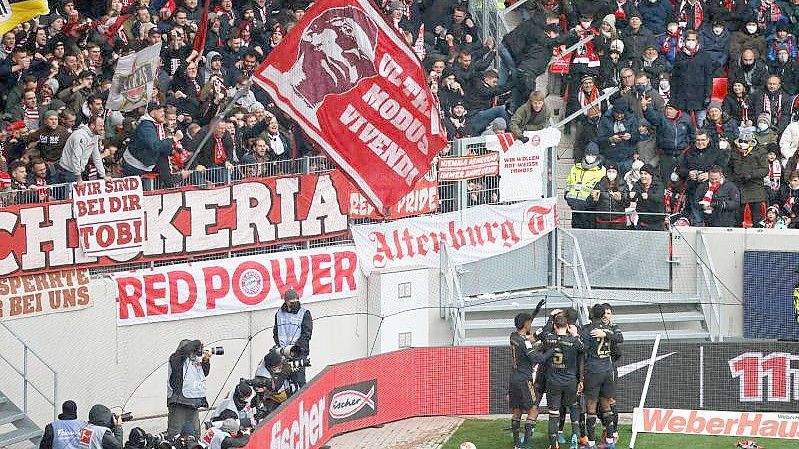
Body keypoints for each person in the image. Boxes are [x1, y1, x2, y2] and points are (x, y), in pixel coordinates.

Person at [580, 304, 623, 449]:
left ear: (592, 314)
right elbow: (619, 338)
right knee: (606, 405)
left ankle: (591, 444)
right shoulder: (610, 328)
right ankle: (610, 442)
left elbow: (583, 349)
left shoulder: (587, 330)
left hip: (593, 371)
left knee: (591, 407)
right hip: (607, 370)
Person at [509, 311, 553, 449]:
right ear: (527, 324)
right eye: (530, 323)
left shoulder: (514, 336)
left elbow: (531, 337)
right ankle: (526, 445)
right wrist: (552, 349)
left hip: (513, 379)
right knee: (533, 409)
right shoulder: (524, 343)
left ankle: (517, 445)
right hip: (524, 380)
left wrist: (539, 316)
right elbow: (538, 359)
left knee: (517, 410)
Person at [541, 315, 585, 449]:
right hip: (570, 382)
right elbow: (583, 349)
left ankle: (554, 444)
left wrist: (550, 319)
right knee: (573, 406)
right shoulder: (573, 341)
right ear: (567, 326)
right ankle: (575, 439)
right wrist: (576, 334)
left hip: (553, 382)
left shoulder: (548, 339)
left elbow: (542, 333)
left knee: (554, 413)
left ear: (554, 326)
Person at [677, 129, 730, 225]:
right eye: (698, 140)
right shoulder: (689, 152)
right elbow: (679, 169)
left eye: (703, 140)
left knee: (714, 220)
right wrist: (689, 173)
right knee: (698, 220)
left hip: (714, 192)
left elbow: (724, 168)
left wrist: (709, 175)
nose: (700, 142)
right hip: (694, 191)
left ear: (708, 139)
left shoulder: (716, 152)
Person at [123, 103, 182, 177]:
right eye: (161, 112)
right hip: (134, 165)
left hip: (145, 164)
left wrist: (172, 151)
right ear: (153, 113)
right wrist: (174, 138)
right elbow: (155, 146)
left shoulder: (157, 124)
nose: (163, 114)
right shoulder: (146, 126)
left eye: (163, 112)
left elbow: (161, 145)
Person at [167, 339, 211, 437]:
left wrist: (205, 360)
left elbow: (203, 374)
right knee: (175, 434)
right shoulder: (176, 358)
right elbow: (184, 351)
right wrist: (198, 342)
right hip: (179, 402)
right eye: (194, 349)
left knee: (195, 434)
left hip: (193, 402)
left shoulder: (195, 361)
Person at [273, 288, 312, 389]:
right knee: (285, 383)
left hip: (298, 353)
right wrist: (281, 349)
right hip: (284, 353)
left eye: (296, 301)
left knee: (299, 382)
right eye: (292, 302)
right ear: (286, 302)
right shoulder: (279, 314)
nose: (295, 304)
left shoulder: (304, 313)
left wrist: (294, 350)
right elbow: (276, 333)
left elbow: (306, 335)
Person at [729, 130, 769, 226]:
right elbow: (728, 168)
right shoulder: (734, 152)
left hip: (755, 190)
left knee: (758, 221)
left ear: (752, 142)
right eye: (741, 141)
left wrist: (751, 174)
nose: (743, 144)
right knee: (737, 221)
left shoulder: (760, 152)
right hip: (738, 189)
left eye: (746, 142)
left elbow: (765, 170)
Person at [54, 115, 107, 185]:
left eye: (103, 126)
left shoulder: (95, 135)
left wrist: (103, 175)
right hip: (67, 171)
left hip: (77, 171)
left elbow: (96, 156)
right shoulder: (80, 136)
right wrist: (78, 178)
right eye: (100, 126)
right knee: (68, 195)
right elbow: (76, 157)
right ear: (92, 125)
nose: (102, 129)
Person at [565, 142, 607, 229]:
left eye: (593, 155)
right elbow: (569, 183)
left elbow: (600, 188)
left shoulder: (602, 170)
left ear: (597, 156)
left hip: (590, 208)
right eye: (588, 154)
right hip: (575, 206)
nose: (590, 157)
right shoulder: (576, 167)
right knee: (576, 230)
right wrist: (567, 196)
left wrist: (591, 202)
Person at [251, 349, 292, 420]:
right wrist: (284, 373)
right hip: (274, 397)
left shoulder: (273, 356)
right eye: (278, 366)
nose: (280, 367)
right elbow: (275, 387)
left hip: (286, 390)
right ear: (271, 367)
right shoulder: (262, 375)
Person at [628, 163, 665, 230]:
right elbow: (632, 197)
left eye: (645, 174)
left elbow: (660, 198)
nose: (643, 176)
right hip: (642, 221)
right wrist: (631, 196)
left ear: (651, 175)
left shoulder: (658, 185)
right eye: (641, 173)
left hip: (657, 222)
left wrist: (649, 196)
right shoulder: (637, 184)